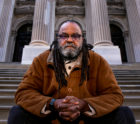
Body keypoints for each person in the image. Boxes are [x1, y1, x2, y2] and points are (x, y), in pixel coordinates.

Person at [8, 20, 136, 124]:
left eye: (75, 36)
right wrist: (53, 104)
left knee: (124, 114)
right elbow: (23, 93)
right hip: (52, 117)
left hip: (86, 118)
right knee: (18, 113)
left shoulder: (98, 61)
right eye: (64, 35)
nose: (69, 40)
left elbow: (115, 95)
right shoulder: (41, 60)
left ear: (82, 39)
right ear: (57, 39)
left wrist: (85, 105)